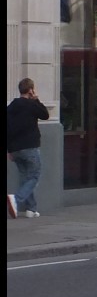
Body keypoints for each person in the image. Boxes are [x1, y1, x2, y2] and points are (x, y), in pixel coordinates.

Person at [7, 77, 49, 218]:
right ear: (31, 90)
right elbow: (45, 115)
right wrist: (36, 99)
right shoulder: (32, 105)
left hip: (15, 149)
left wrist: (9, 150)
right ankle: (16, 199)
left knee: (26, 178)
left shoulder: (11, 107)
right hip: (30, 147)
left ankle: (31, 209)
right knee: (35, 175)